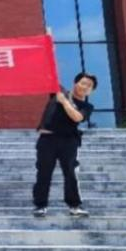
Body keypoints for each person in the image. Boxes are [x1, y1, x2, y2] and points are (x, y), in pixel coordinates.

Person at [33, 73, 96, 218]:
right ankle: (40, 206)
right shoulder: (59, 92)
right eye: (83, 83)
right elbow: (48, 78)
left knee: (70, 172)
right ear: (75, 83)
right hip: (47, 139)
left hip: (69, 141)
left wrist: (64, 102)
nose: (84, 87)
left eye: (89, 86)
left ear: (91, 91)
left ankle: (74, 206)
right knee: (44, 172)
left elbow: (77, 117)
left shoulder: (87, 106)